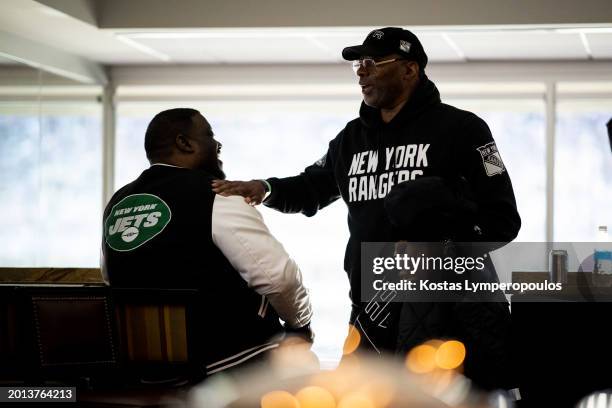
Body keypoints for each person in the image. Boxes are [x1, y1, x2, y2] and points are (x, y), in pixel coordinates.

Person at [212, 27, 521, 390]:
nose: (361, 71)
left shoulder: (463, 129)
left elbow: (503, 221)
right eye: (359, 63)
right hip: (370, 307)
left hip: (442, 308)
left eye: (373, 62)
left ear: (409, 70)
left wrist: (445, 247)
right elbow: (312, 187)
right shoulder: (350, 139)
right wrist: (265, 189)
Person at [101, 108, 313, 377]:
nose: (217, 144)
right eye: (210, 135)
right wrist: (300, 324)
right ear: (184, 143)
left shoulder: (117, 204)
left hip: (141, 374)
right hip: (227, 367)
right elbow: (278, 279)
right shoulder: (217, 194)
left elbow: (110, 281)